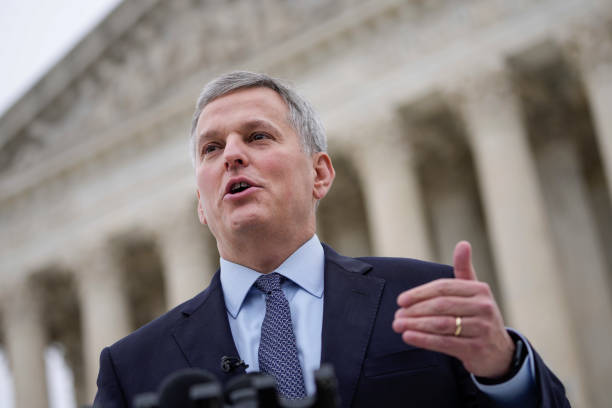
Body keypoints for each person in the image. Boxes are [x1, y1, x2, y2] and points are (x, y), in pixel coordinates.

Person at [93, 71, 570, 407]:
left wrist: (503, 370)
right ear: (201, 203)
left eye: (257, 137)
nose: (232, 156)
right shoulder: (133, 366)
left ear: (319, 174)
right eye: (211, 148)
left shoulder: (426, 298)